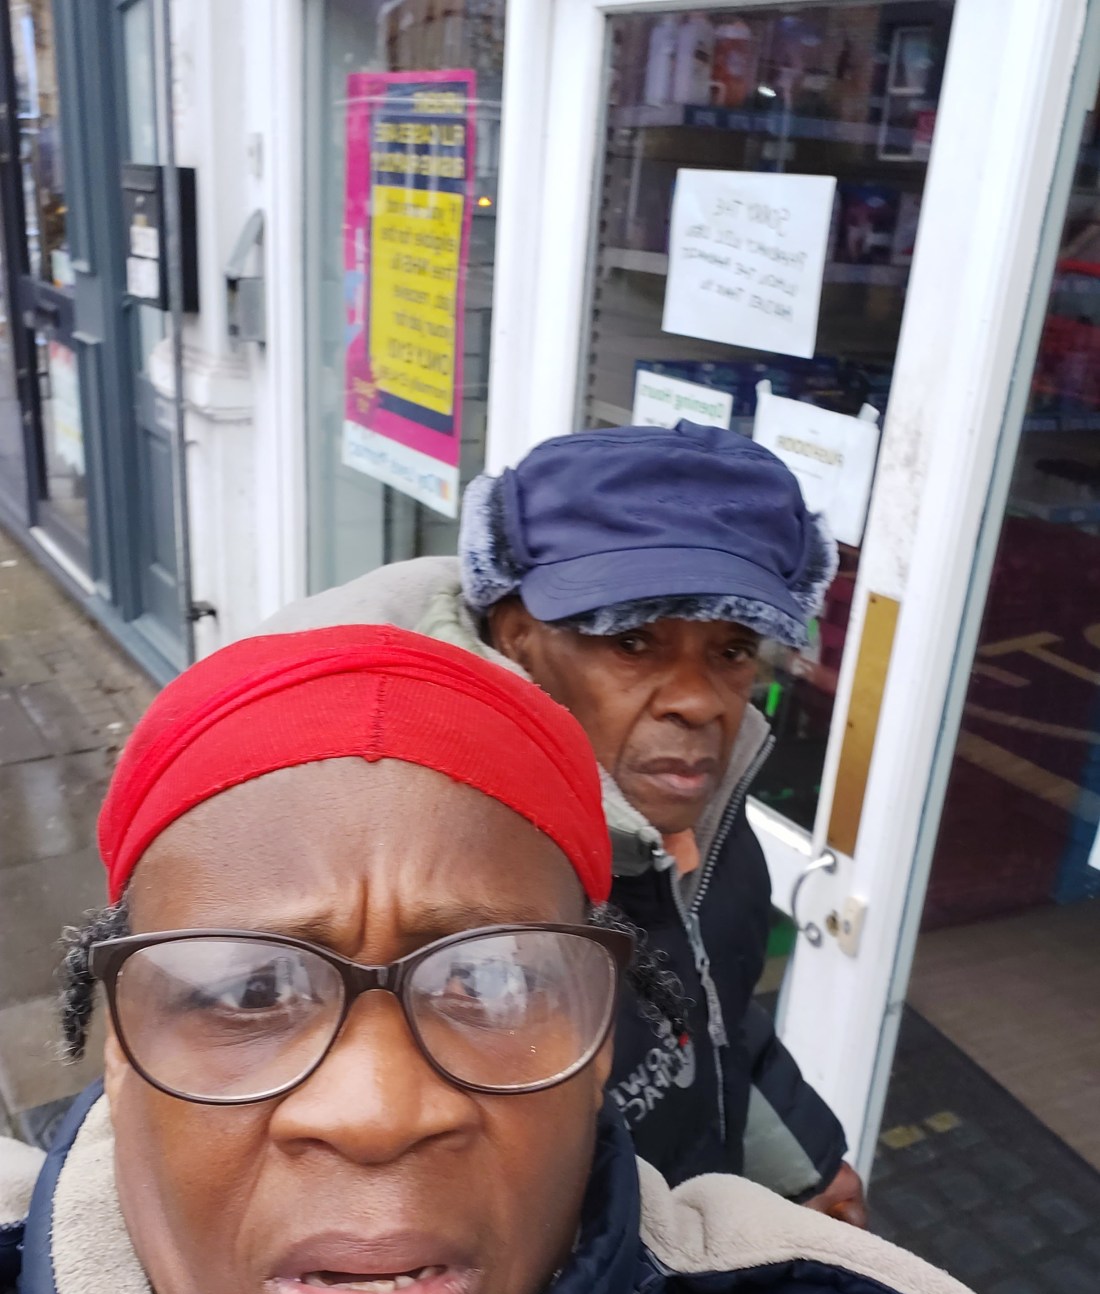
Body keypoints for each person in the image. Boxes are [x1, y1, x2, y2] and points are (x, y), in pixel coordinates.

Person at [0, 625, 1083, 1294]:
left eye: (491, 981)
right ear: (119, 1047)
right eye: (248, 989)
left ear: (602, 1039)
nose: (377, 1110)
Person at [264, 421, 863, 1219]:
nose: (700, 701)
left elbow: (708, 1002)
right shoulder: (407, 901)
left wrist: (801, 1163)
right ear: (517, 638)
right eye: (634, 642)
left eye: (731, 651)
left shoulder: (693, 817)